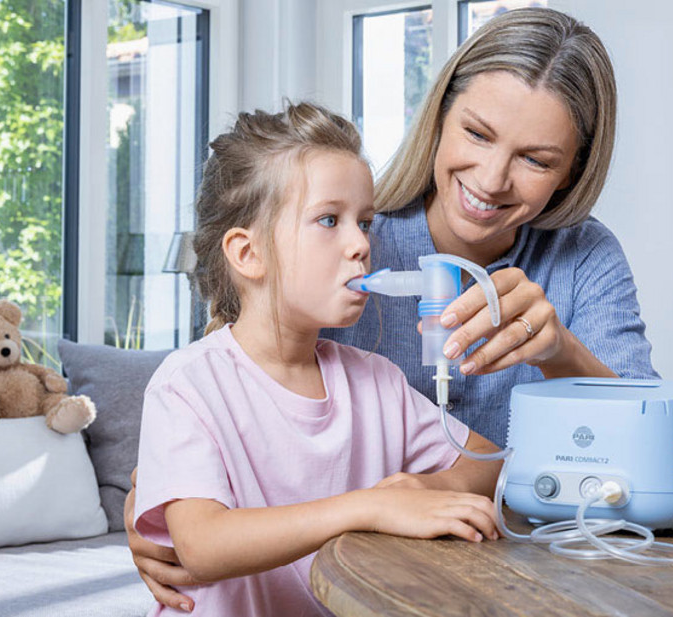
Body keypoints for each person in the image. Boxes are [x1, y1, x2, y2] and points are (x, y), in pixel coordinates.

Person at [130, 7, 658, 609]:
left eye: (536, 159)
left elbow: (613, 459)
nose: (491, 177)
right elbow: (238, 384)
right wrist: (160, 502)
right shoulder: (327, 266)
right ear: (437, 118)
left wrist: (559, 355)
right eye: (478, 134)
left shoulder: (378, 379)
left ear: (571, 174)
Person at [129, 102, 503, 616]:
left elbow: (488, 462)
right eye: (329, 220)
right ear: (248, 253)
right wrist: (370, 507)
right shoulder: (188, 385)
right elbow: (203, 545)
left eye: (364, 222)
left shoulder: (376, 381)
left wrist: (422, 488)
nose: (361, 245)